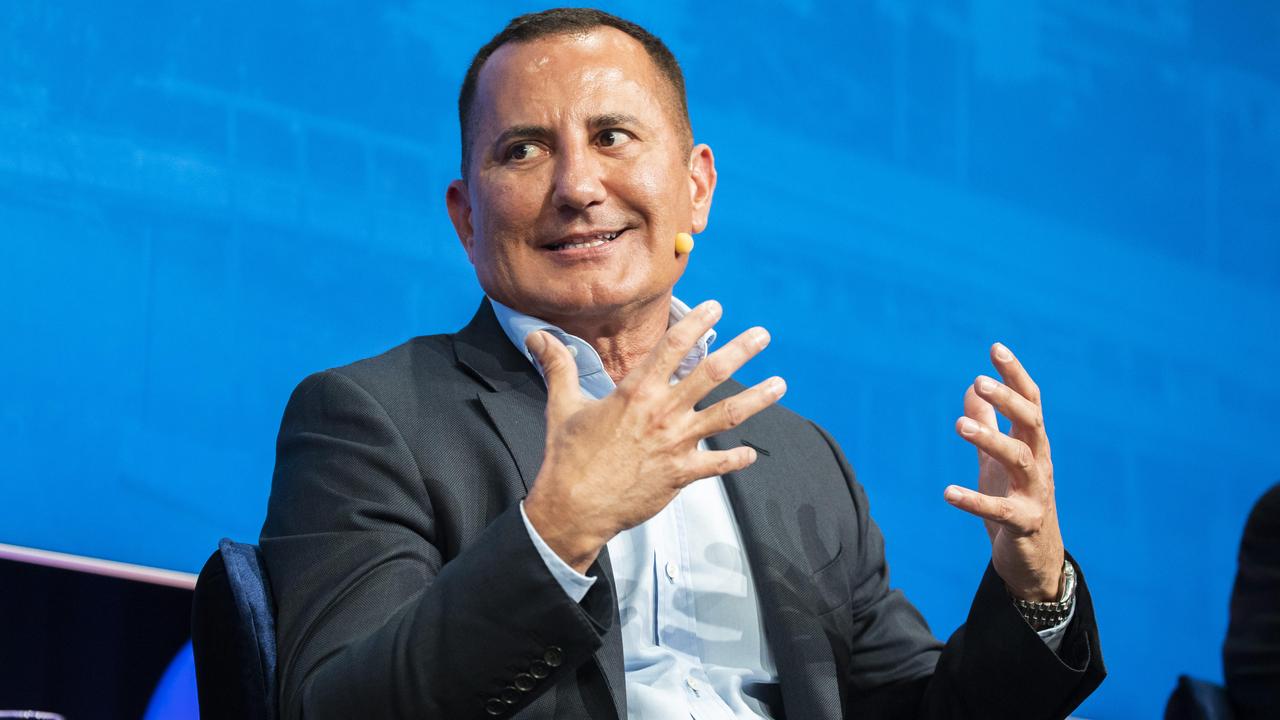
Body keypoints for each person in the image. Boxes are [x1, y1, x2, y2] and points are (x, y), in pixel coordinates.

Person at [259, 8, 1105, 719]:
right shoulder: (373, 419)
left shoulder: (798, 460)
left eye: (612, 136)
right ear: (466, 217)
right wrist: (556, 532)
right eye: (523, 150)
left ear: (696, 186)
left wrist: (1035, 593)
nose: (577, 185)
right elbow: (333, 706)